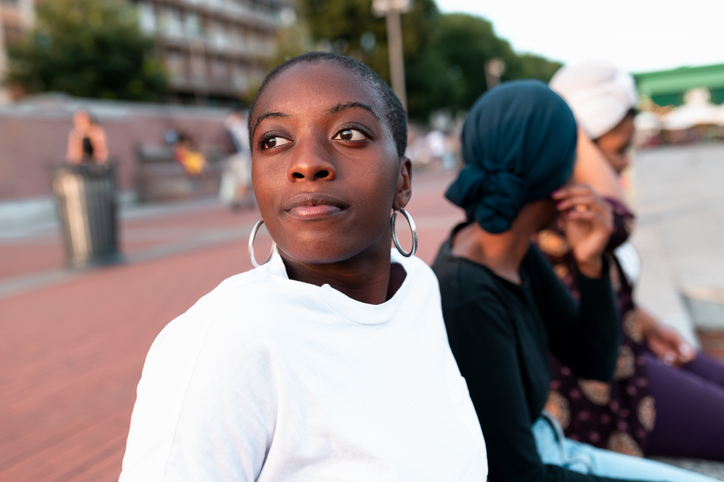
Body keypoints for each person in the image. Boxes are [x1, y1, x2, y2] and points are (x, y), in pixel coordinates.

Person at [119, 52, 488, 481]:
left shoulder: (418, 287)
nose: (307, 163)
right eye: (274, 141)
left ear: (403, 181)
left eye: (349, 133)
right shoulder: (226, 337)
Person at [432, 80, 718, 481]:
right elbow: (516, 474)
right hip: (540, 462)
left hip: (551, 447)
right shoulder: (469, 296)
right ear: (560, 171)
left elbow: (593, 360)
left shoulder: (509, 251)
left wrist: (591, 264)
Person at [538, 60, 724, 460]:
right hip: (605, 391)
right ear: (578, 145)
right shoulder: (558, 205)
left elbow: (600, 285)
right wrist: (576, 132)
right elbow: (621, 217)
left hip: (628, 349)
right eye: (618, 150)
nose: (626, 162)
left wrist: (649, 324)